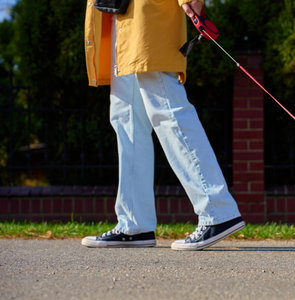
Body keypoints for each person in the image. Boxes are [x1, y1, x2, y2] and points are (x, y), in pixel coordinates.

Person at [81, 0, 244, 250]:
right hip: (116, 15)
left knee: (168, 108)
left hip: (147, 17)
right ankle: (134, 225)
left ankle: (217, 209)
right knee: (126, 119)